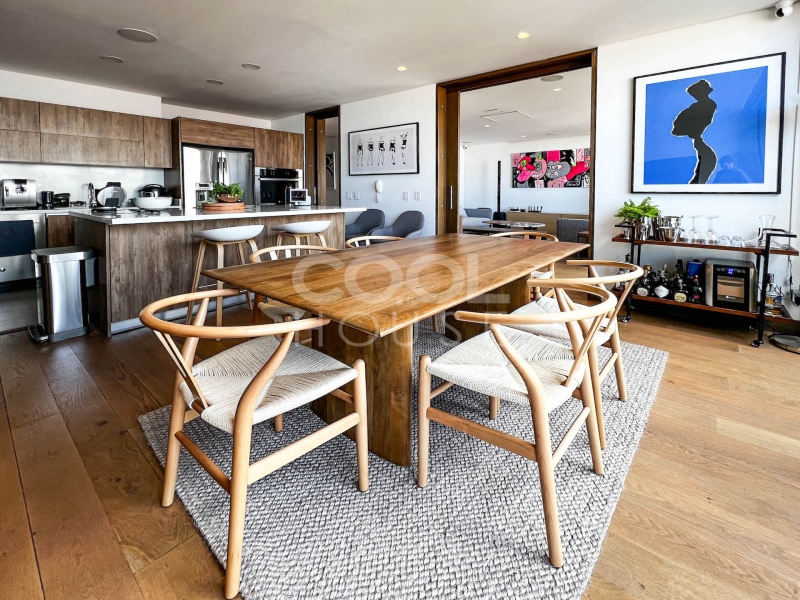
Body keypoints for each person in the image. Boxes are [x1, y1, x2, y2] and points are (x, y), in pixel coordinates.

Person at [671, 79, 717, 184]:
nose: (695, 96)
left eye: (696, 94)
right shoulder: (694, 106)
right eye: (694, 95)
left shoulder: (709, 104)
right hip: (696, 139)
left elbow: (703, 121)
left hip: (700, 138)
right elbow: (679, 125)